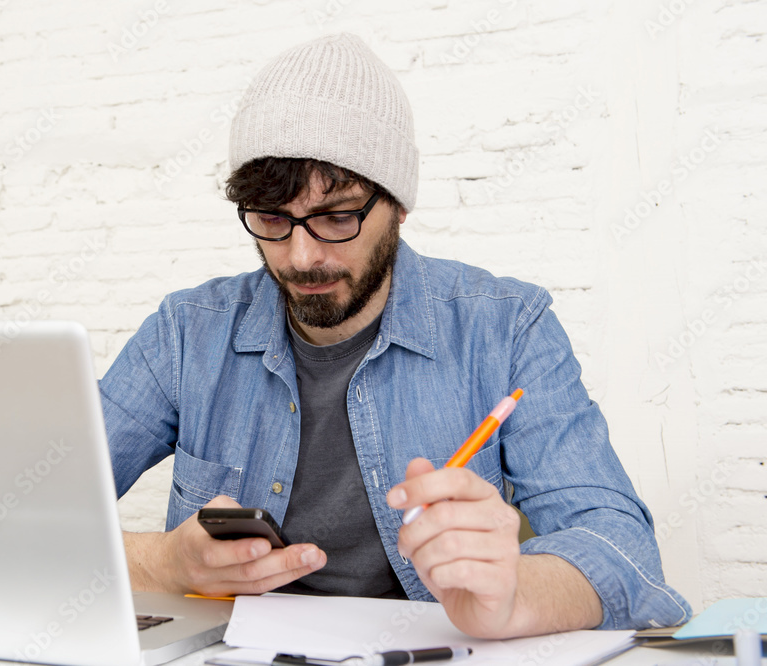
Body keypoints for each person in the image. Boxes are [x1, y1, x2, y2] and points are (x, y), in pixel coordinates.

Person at [99, 33, 691, 638]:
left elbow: (623, 552)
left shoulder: (507, 328)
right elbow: (14, 518)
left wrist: (514, 595)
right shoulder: (185, 334)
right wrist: (166, 562)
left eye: (337, 217)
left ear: (399, 205)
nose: (302, 257)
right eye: (274, 220)